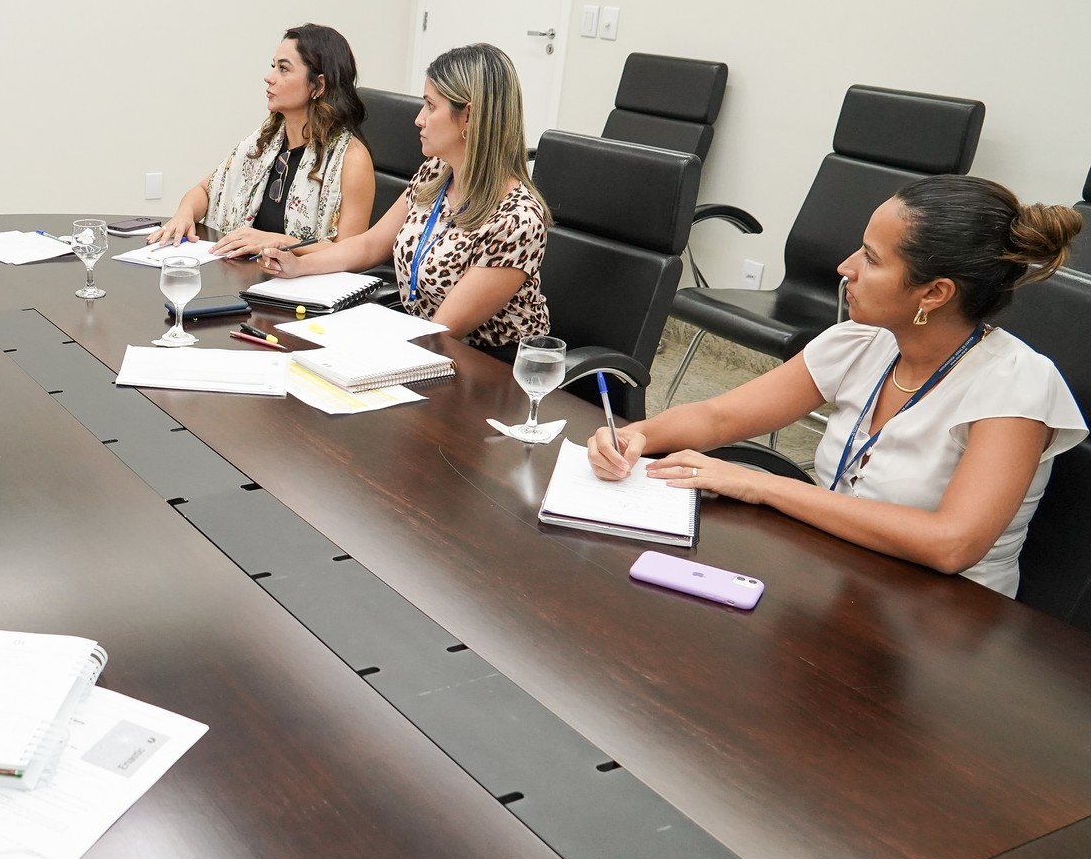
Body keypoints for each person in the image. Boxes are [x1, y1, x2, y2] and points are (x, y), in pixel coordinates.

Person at [587, 175, 1085, 594]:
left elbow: (951, 543)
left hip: (947, 621)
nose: (845, 268)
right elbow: (719, 417)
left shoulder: (1016, 383)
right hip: (844, 577)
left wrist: (762, 485)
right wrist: (639, 437)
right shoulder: (861, 342)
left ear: (933, 293)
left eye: (870, 258)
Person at [256, 43, 550, 360]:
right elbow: (371, 245)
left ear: (468, 116)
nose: (419, 120)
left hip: (489, 371)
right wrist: (299, 266)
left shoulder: (518, 220)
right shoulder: (437, 172)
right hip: (422, 344)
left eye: (430, 107)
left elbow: (445, 330)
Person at [147, 24, 375, 256]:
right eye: (273, 66)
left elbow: (350, 254)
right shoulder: (268, 138)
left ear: (319, 85)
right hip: (245, 275)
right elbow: (206, 190)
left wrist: (277, 242)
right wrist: (183, 215)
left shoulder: (351, 159)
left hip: (297, 286)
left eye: (284, 69)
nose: (269, 78)